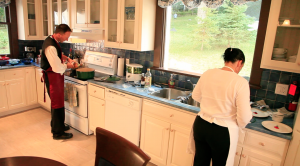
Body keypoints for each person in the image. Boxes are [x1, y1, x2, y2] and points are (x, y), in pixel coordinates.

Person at [188, 48, 252, 166]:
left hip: (201, 125)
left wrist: (212, 103)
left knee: (200, 162)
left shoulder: (208, 73)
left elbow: (196, 96)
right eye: (241, 66)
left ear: (226, 60)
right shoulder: (240, 82)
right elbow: (243, 118)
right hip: (222, 131)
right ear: (239, 62)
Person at [41, 24, 78, 140]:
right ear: (59, 34)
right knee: (57, 104)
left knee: (58, 102)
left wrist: (67, 59)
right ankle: (58, 133)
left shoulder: (52, 39)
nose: (67, 39)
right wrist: (70, 65)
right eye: (66, 37)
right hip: (53, 77)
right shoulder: (50, 46)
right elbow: (57, 67)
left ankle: (58, 125)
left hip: (55, 77)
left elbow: (58, 55)